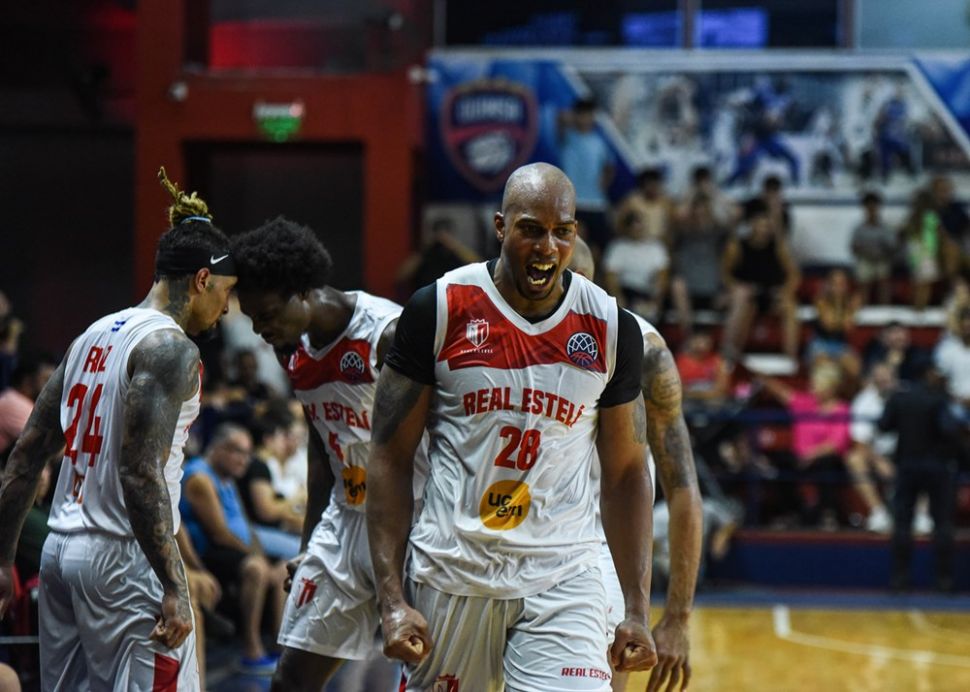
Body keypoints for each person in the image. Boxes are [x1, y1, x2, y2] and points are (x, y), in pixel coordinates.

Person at [368, 163, 658, 690]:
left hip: (564, 574)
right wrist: (391, 599)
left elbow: (626, 472)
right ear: (500, 227)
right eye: (531, 229)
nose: (548, 247)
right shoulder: (438, 309)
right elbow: (390, 455)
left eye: (562, 232)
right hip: (454, 570)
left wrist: (637, 607)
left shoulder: (612, 327)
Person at [0, 167, 237, 690]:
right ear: (202, 280)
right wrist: (174, 583)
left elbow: (27, 453)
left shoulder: (89, 336)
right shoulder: (171, 348)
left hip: (61, 553)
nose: (225, 309)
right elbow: (139, 473)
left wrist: (2, 557)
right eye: (226, 292)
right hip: (124, 560)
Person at [231, 217, 411, 690]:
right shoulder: (292, 348)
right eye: (252, 319)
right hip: (346, 521)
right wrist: (308, 546)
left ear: (303, 290)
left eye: (268, 314)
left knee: (431, 677)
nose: (260, 329)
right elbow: (320, 448)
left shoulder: (386, 332)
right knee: (290, 681)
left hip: (412, 522)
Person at [570, 239, 702, 692]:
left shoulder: (641, 351)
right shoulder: (508, 335)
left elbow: (682, 486)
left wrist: (677, 617)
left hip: (604, 549)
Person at [180, 423, 288, 674]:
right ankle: (251, 650)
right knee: (256, 568)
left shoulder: (227, 478)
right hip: (209, 551)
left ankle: (279, 645)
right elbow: (219, 533)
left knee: (284, 567)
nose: (244, 460)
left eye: (248, 454)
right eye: (238, 452)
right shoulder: (200, 478)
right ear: (218, 448)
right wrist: (255, 555)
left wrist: (258, 550)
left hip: (234, 548)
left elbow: (246, 526)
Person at [879, 359, 961, 592]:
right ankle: (944, 581)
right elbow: (949, 429)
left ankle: (899, 579)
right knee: (942, 523)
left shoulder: (899, 397)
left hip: (907, 465)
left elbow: (884, 425)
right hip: (937, 467)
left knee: (902, 523)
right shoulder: (938, 398)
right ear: (927, 372)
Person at [721, 199, 801, 362]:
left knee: (790, 305)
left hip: (770, 294)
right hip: (746, 295)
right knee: (743, 299)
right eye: (761, 225)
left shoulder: (778, 247)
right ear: (752, 224)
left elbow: (794, 274)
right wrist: (734, 287)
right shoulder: (737, 246)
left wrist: (785, 290)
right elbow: (725, 273)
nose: (764, 229)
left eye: (767, 225)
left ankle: (791, 356)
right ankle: (729, 354)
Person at [559, 97, 616, 255]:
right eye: (582, 114)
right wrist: (573, 117)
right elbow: (560, 119)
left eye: (588, 115)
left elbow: (610, 166)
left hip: (597, 203)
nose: (585, 118)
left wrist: (605, 181)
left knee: (600, 248)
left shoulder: (599, 142)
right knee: (568, 248)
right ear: (575, 115)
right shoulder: (567, 136)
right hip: (572, 203)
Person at [847, 362, 897, 533]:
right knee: (854, 459)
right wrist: (878, 461)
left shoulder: (907, 396)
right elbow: (860, 442)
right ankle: (878, 513)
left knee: (927, 457)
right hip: (875, 454)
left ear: (895, 378)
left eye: (887, 378)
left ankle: (921, 515)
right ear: (872, 380)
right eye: (879, 379)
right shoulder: (863, 401)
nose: (884, 382)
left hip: (906, 453)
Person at [603, 211, 670, 321]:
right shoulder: (618, 247)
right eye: (633, 226)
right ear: (628, 228)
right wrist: (618, 298)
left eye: (639, 226)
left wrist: (656, 301)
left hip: (648, 291)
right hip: (626, 291)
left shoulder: (656, 247)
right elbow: (611, 275)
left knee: (654, 308)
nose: (637, 230)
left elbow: (663, 274)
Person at [0, 354, 57, 461]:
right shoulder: (14, 403)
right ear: (27, 382)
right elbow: (49, 449)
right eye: (47, 381)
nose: (54, 388)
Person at [850, 191, 897, 305]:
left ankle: (884, 308)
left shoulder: (885, 228)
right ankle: (863, 308)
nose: (871, 211)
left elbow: (893, 247)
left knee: (884, 279)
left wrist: (881, 253)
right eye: (869, 208)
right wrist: (865, 252)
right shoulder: (859, 229)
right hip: (865, 259)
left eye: (874, 207)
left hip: (882, 260)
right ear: (865, 209)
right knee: (863, 276)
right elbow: (854, 248)